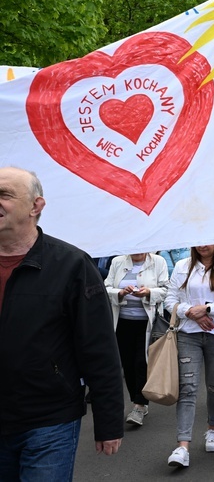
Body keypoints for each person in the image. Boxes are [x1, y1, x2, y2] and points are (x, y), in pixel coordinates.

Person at [0, 167, 123, 480]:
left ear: (35, 206)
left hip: (48, 421)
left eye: (5, 195)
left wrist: (108, 421)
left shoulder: (72, 265)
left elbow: (98, 348)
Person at [165, 244, 214, 468]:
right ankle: (182, 446)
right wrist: (189, 312)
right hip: (188, 334)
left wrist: (208, 309)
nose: (203, 245)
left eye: (208, 240)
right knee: (187, 387)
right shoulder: (182, 267)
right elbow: (170, 301)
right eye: (199, 240)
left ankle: (212, 430)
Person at [104, 252, 169, 426]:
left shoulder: (158, 262)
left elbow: (166, 289)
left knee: (142, 363)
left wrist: (148, 293)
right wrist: (120, 292)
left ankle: (139, 405)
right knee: (128, 364)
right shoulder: (118, 261)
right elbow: (106, 286)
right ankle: (137, 399)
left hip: (147, 322)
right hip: (122, 322)